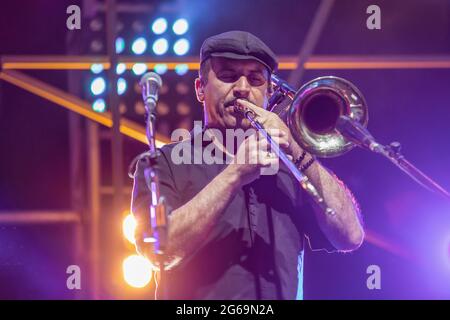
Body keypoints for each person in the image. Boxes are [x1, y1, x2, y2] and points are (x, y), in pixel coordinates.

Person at [131, 30, 364, 300]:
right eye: (228, 76)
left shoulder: (290, 165)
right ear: (200, 90)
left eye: (255, 79)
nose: (242, 88)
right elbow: (159, 252)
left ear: (268, 94)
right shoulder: (164, 163)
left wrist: (295, 148)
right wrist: (235, 174)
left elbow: (351, 235)